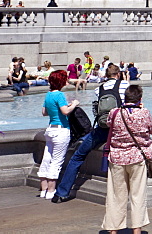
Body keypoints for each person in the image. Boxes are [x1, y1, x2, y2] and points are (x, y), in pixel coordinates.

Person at [53, 63, 130, 203]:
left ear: (106, 75)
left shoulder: (98, 89)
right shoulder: (125, 85)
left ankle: (61, 192)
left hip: (102, 129)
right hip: (120, 130)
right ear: (118, 74)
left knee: (77, 157)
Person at [102, 84, 152, 234]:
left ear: (124, 97)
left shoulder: (114, 112)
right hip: (137, 158)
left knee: (115, 196)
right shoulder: (144, 113)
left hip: (117, 158)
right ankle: (136, 229)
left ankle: (113, 230)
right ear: (140, 99)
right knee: (137, 195)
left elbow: (108, 124)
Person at [39, 70, 79, 199]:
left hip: (50, 129)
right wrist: (74, 104)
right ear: (61, 81)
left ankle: (43, 190)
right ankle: (51, 191)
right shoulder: (60, 95)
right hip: (61, 131)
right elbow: (65, 111)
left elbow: (44, 112)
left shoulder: (48, 94)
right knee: (56, 161)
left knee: (46, 159)